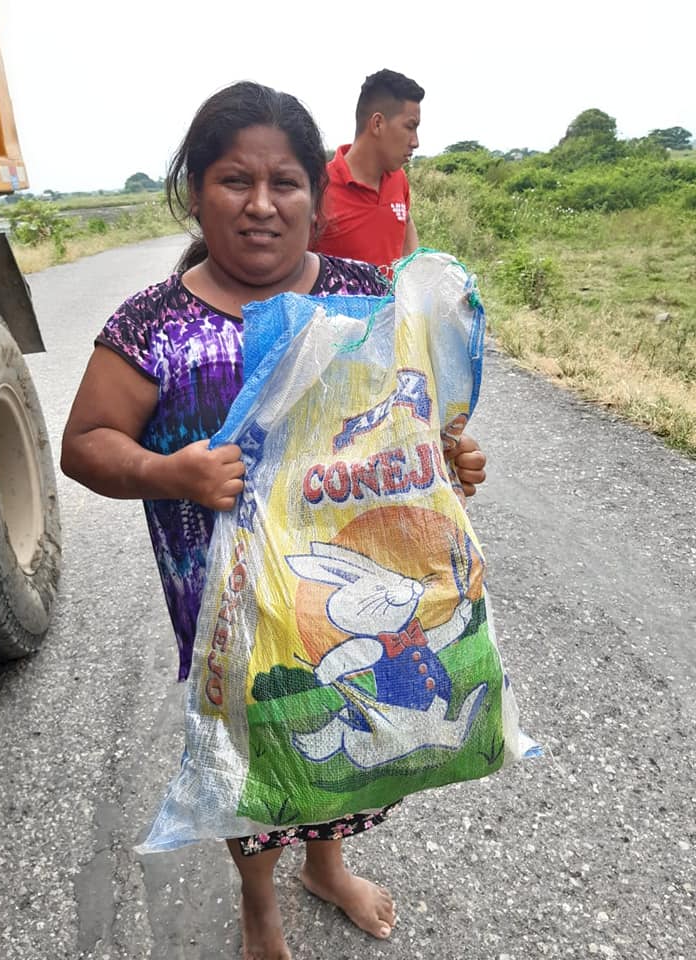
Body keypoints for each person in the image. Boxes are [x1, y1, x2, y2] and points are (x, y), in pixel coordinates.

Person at [61, 81, 486, 960]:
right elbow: (85, 444)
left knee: (350, 735)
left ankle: (326, 866)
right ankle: (260, 903)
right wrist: (165, 471)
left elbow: (410, 415)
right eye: (234, 180)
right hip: (231, 615)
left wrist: (449, 456)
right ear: (196, 192)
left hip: (355, 593)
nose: (261, 204)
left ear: (316, 198)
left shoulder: (367, 297)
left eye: (284, 182)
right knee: (250, 761)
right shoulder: (153, 325)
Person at [313, 68, 424, 272]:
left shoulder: (398, 179)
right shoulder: (318, 188)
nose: (415, 142)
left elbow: (405, 221)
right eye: (410, 127)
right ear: (378, 123)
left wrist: (414, 275)